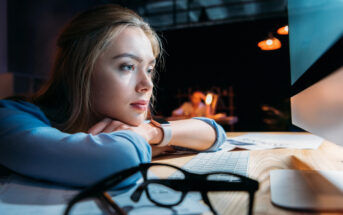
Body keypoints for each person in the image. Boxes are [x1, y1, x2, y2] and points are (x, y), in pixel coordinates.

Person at [0, 4, 226, 188]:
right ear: (81, 71)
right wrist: (147, 139)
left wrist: (151, 131)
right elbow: (118, 160)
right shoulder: (9, 119)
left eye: (149, 69)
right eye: (127, 66)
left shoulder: (120, 123)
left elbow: (214, 132)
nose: (147, 84)